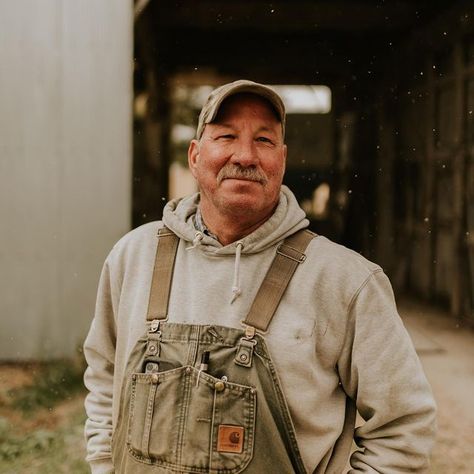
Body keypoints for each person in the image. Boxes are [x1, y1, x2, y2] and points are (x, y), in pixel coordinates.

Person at [83, 80, 436, 474]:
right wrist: (102, 465)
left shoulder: (345, 281)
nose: (245, 155)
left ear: (282, 160)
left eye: (264, 140)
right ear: (196, 156)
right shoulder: (134, 257)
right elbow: (103, 378)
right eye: (226, 136)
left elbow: (404, 426)